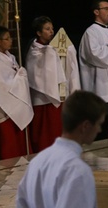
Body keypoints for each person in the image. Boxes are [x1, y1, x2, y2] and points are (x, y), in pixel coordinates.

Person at [25, 16, 80, 152]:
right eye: (47, 29)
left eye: (52, 29)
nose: (51, 31)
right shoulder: (34, 49)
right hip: (40, 95)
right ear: (39, 32)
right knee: (41, 129)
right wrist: (50, 53)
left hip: (56, 93)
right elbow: (34, 71)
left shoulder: (53, 48)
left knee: (54, 127)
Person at [79, 1, 108, 140]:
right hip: (102, 88)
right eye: (106, 8)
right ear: (96, 12)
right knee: (103, 128)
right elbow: (95, 55)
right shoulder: (91, 32)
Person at [0, 26, 33, 159]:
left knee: (19, 141)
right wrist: (18, 78)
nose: (11, 41)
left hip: (15, 105)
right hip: (2, 107)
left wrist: (21, 76)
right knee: (7, 143)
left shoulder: (11, 57)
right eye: (7, 38)